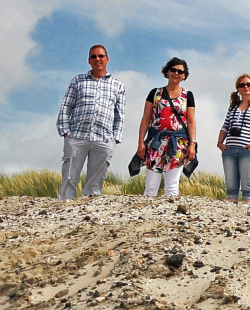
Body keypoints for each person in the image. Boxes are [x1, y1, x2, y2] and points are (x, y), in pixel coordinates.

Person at [56, 45, 126, 199]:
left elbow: (119, 115)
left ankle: (88, 209)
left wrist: (115, 139)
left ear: (107, 59)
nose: (97, 59)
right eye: (93, 56)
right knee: (69, 176)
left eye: (101, 56)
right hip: (77, 136)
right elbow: (66, 106)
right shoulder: (77, 81)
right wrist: (65, 132)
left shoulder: (118, 85)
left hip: (104, 138)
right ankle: (65, 206)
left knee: (96, 181)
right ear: (89, 61)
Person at [136, 57, 197, 197]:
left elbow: (191, 121)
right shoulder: (155, 93)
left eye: (180, 71)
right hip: (155, 142)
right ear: (167, 71)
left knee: (172, 187)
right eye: (173, 70)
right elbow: (146, 118)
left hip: (177, 143)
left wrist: (192, 144)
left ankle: (170, 217)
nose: (176, 73)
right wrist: (140, 142)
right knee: (151, 186)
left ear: (184, 75)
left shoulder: (188, 95)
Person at [216, 74, 250, 203]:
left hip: (248, 152)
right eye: (242, 85)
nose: (246, 87)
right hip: (229, 151)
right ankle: (233, 217)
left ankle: (248, 216)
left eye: (249, 84)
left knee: (247, 187)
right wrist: (219, 143)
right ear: (238, 89)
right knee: (231, 187)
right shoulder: (233, 108)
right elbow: (225, 126)